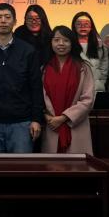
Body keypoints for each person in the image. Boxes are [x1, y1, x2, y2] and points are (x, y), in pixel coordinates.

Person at [0, 3, 44, 153]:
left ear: (15, 21)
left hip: (22, 122)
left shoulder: (28, 51)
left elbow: (36, 88)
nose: (3, 21)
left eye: (7, 17)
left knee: (20, 167)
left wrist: (36, 119)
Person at [41, 27, 96, 155]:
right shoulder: (44, 69)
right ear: (51, 43)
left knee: (76, 165)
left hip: (76, 125)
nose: (61, 44)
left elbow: (88, 99)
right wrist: (46, 116)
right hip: (51, 124)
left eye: (66, 40)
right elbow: (40, 97)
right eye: (56, 40)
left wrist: (64, 118)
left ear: (72, 43)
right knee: (53, 165)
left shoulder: (83, 67)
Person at [71, 11, 109, 92]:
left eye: (86, 24)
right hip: (75, 91)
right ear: (74, 26)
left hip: (96, 90)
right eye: (79, 24)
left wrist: (99, 83)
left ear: (91, 27)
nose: (83, 26)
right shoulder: (69, 46)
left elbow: (104, 70)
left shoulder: (101, 46)